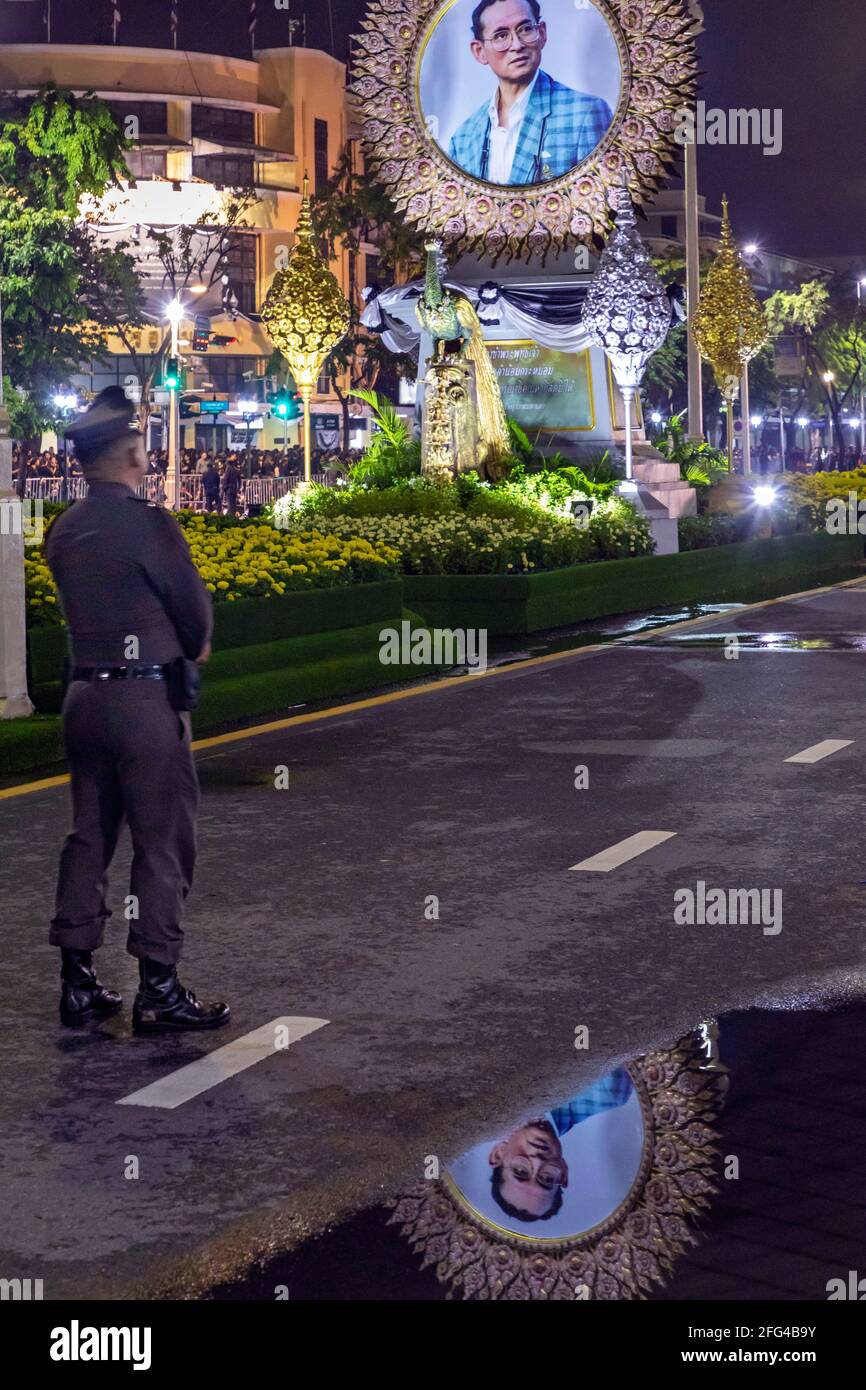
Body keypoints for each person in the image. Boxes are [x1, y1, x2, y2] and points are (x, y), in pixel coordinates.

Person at [46, 386, 230, 1034]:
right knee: (162, 842)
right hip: (144, 702)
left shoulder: (62, 530)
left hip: (82, 700)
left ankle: (77, 982)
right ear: (130, 453)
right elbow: (196, 617)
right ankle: (158, 986)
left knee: (88, 835)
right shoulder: (151, 525)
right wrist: (188, 646)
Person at [447, 0, 613, 185]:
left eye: (525, 29)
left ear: (541, 33)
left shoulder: (585, 114)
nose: (517, 45)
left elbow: (599, 204)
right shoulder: (463, 138)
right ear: (479, 51)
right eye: (501, 35)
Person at [488, 1068, 633, 1222]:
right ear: (563, 1172)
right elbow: (587, 1043)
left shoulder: (483, 1091)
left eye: (520, 1171)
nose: (538, 1161)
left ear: (499, 1154)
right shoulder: (608, 1090)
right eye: (547, 1179)